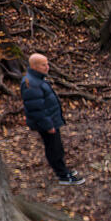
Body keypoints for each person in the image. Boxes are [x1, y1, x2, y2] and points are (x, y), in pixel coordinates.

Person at [21, 53, 84, 185]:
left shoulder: (38, 79)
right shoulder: (31, 83)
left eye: (47, 64)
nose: (47, 67)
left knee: (57, 147)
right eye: (43, 65)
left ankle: (63, 169)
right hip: (46, 123)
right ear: (34, 66)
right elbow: (36, 109)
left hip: (51, 119)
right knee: (53, 148)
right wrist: (48, 125)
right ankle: (63, 175)